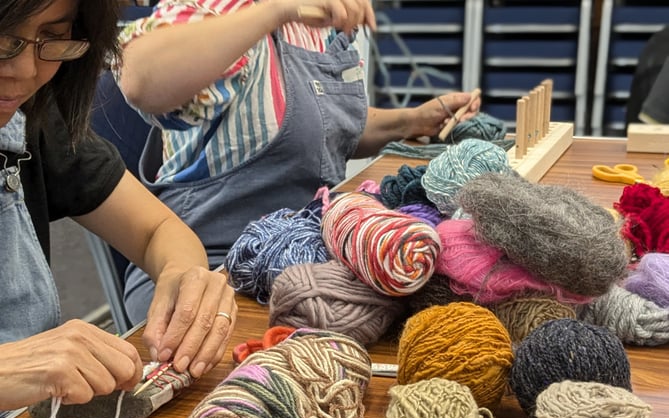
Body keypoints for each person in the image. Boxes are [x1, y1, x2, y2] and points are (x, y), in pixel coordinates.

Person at [114, 0, 480, 323]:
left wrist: (410, 121)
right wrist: (275, 10)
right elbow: (140, 78)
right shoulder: (221, 11)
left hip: (304, 255)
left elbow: (324, 128)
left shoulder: (314, 26)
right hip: (209, 274)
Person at [0, 0, 237, 411]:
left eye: (53, 39)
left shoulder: (30, 121)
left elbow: (155, 231)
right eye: (4, 41)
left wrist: (186, 279)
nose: (25, 70)